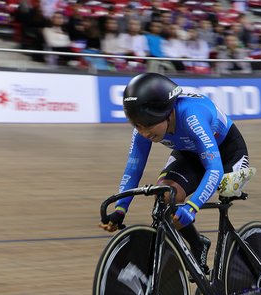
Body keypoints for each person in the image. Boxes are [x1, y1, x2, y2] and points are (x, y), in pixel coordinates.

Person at [99, 73, 251, 273]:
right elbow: (133, 169)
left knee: (225, 189)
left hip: (227, 154)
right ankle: (198, 244)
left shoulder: (191, 116)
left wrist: (192, 206)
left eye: (148, 125)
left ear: (166, 113)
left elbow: (215, 169)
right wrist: (120, 208)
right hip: (191, 152)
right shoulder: (145, 127)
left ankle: (236, 262)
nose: (144, 133)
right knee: (165, 195)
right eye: (137, 125)